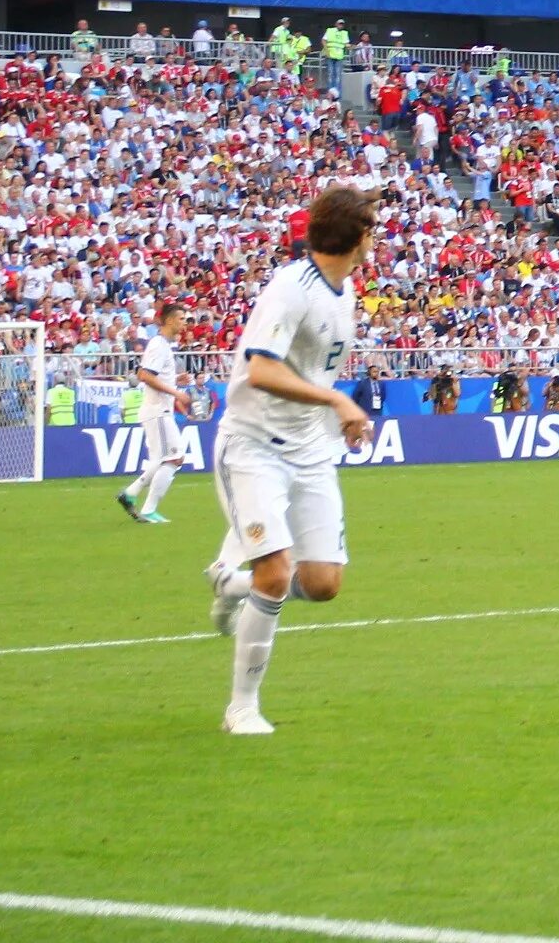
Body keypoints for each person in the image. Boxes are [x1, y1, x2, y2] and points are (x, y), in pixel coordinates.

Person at [206, 182, 380, 736]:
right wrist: (335, 400)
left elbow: (317, 371)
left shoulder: (342, 290)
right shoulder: (291, 288)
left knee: (324, 583)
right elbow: (261, 369)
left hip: (310, 451)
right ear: (355, 236)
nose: (377, 237)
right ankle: (242, 708)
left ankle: (231, 584)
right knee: (277, 573)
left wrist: (337, 418)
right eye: (372, 226)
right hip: (253, 446)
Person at [117, 301, 192, 524]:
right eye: (181, 319)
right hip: (158, 410)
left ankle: (130, 494)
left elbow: (154, 375)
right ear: (169, 320)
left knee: (163, 460)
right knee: (174, 458)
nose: (184, 323)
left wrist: (175, 380)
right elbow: (144, 375)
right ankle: (148, 509)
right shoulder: (159, 345)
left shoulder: (163, 345)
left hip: (158, 410)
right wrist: (176, 393)